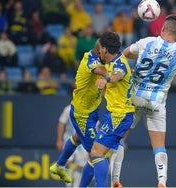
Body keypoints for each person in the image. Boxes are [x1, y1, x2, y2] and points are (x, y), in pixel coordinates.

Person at [123, 14, 176, 187]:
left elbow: (125, 55)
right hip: (157, 103)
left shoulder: (146, 42)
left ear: (162, 28)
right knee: (159, 146)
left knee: (120, 139)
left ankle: (115, 178)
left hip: (134, 98)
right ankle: (162, 180)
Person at [81, 31, 135, 187]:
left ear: (105, 49)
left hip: (120, 115)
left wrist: (106, 79)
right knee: (95, 156)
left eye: (100, 49)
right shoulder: (111, 61)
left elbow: (118, 74)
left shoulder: (119, 64)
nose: (99, 52)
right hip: (114, 114)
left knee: (97, 153)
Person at [49, 40, 106, 184]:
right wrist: (122, 72)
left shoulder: (97, 58)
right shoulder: (90, 62)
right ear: (100, 53)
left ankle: (60, 165)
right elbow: (104, 72)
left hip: (91, 111)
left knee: (77, 137)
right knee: (96, 153)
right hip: (83, 114)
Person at [55, 104, 89, 187]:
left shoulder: (89, 108)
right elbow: (61, 123)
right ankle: (68, 186)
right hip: (69, 140)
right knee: (67, 163)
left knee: (81, 167)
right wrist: (59, 140)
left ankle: (77, 186)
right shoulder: (68, 109)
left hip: (83, 143)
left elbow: (95, 127)